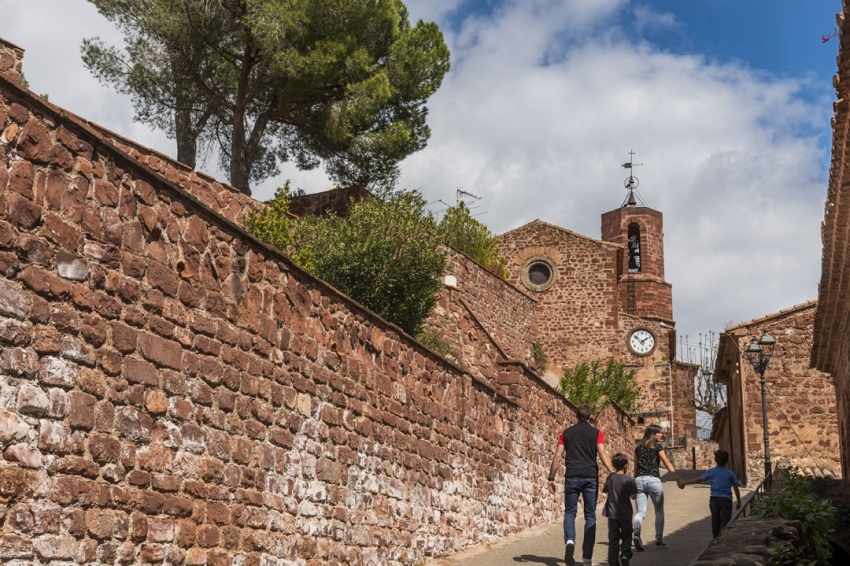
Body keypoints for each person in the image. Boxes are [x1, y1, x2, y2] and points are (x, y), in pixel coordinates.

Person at [548, 404, 616, 566]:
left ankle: (570, 541)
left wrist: (551, 477)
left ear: (576, 415)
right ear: (590, 416)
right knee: (590, 516)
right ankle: (587, 558)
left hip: (572, 475)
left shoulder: (566, 433)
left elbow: (558, 455)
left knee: (570, 512)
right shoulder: (597, 433)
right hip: (590, 476)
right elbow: (602, 453)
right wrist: (613, 472)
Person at [631, 424, 681, 551]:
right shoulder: (657, 447)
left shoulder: (638, 448)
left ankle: (636, 533)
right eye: (659, 433)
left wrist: (632, 485)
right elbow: (666, 462)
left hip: (639, 481)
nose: (661, 435)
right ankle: (659, 540)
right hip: (653, 479)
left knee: (640, 512)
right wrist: (676, 477)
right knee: (659, 510)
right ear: (653, 434)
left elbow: (635, 468)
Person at [678, 449, 742, 538]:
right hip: (726, 499)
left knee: (715, 519)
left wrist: (684, 483)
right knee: (725, 520)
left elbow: (698, 480)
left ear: (715, 460)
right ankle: (723, 537)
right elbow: (736, 487)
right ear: (727, 461)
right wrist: (738, 501)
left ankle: (715, 537)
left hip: (714, 499)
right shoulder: (730, 473)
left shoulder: (712, 471)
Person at [602, 453, 637, 566]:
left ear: (613, 465)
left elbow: (605, 490)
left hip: (612, 513)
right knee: (627, 535)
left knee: (613, 538)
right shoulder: (629, 480)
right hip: (625, 513)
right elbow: (633, 496)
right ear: (626, 465)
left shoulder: (610, 478)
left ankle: (613, 561)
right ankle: (625, 554)